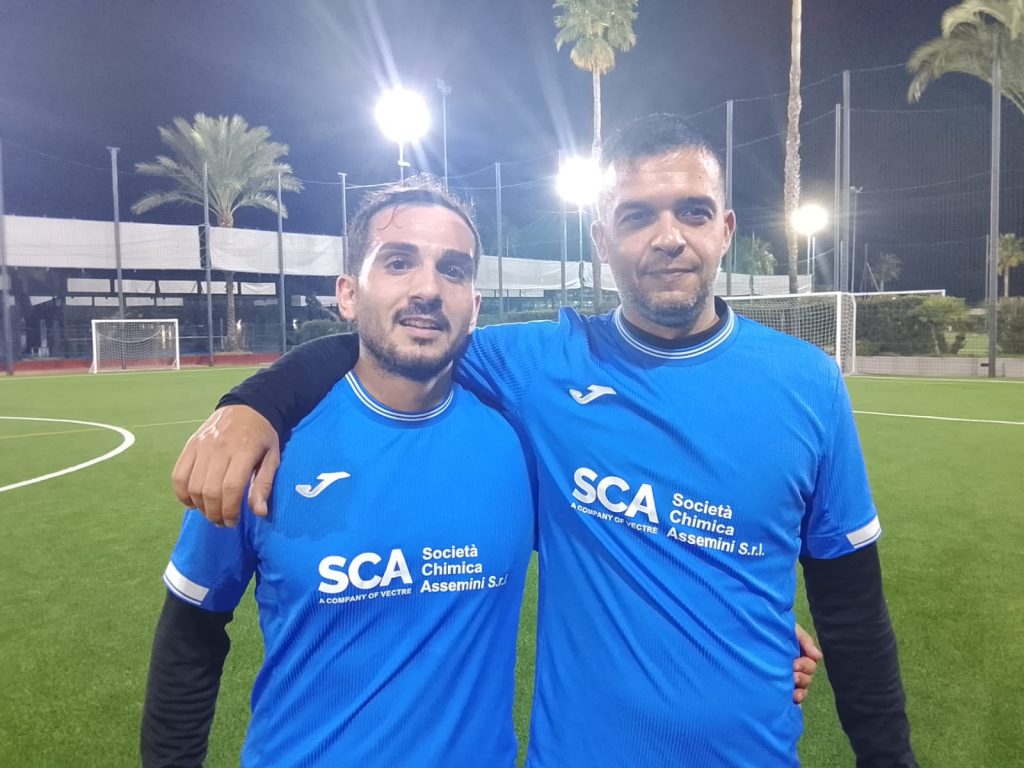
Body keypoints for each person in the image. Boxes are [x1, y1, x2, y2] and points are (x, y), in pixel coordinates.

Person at [173, 115, 908, 767]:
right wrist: (255, 404)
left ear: (726, 228)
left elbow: (852, 609)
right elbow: (395, 339)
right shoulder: (540, 367)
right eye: (636, 215)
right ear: (601, 240)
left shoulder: (808, 383)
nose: (669, 237)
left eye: (693, 211)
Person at [141, 180, 537, 766]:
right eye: (398, 262)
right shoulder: (263, 445)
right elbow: (189, 638)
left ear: (474, 306)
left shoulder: (519, 443)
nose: (428, 289)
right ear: (348, 295)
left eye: (453, 270)